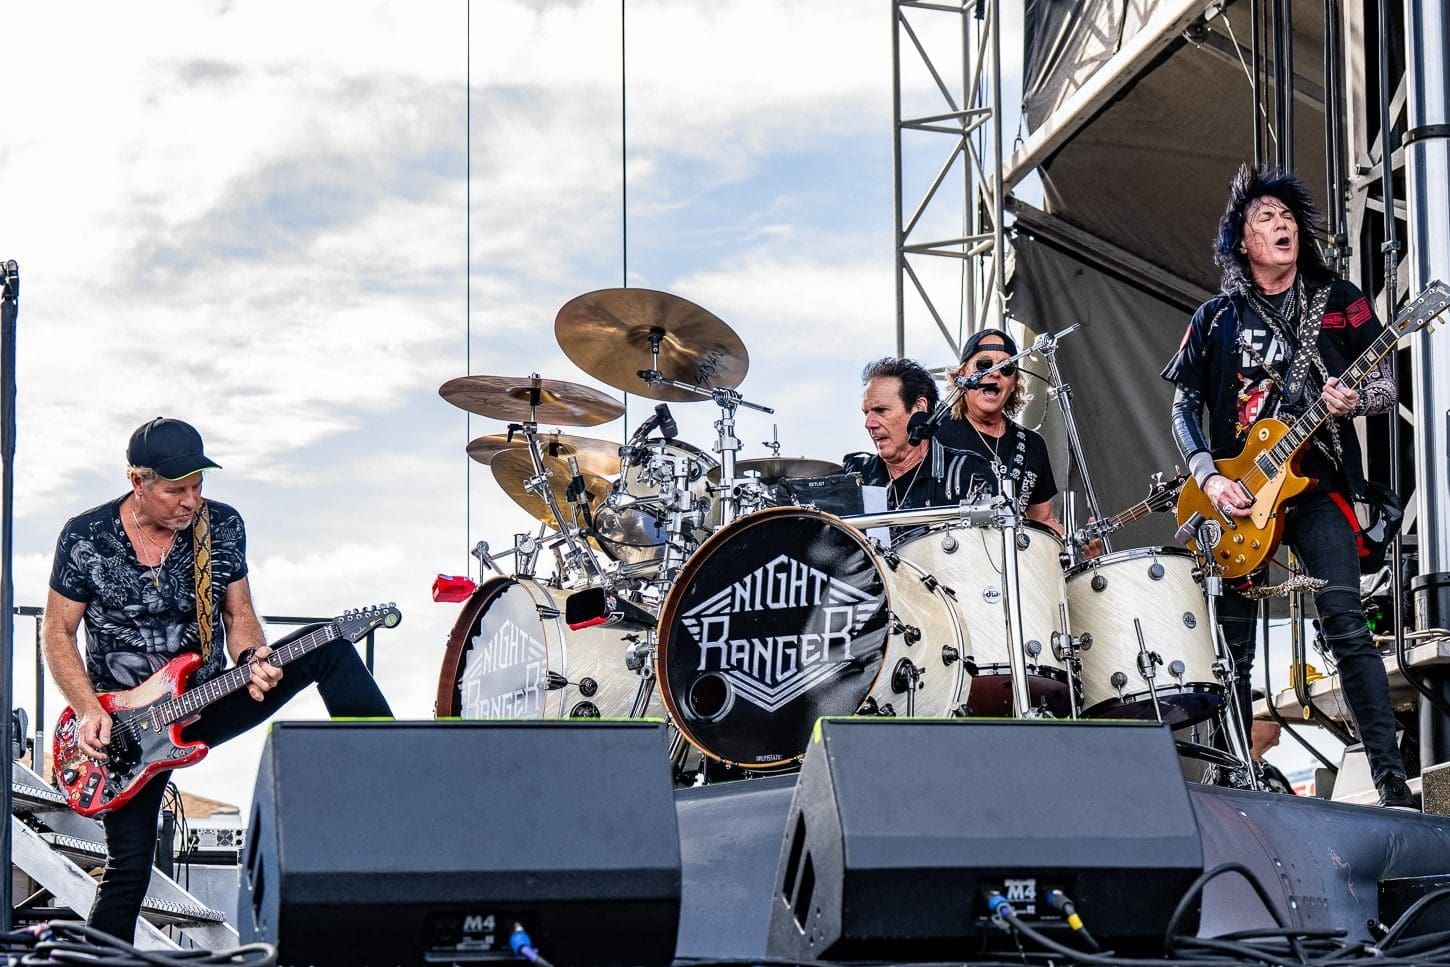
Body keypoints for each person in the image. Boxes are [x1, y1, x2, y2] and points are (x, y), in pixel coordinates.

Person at [42, 418, 394, 941]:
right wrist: (88, 707)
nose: (191, 501)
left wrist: (253, 657)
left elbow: (239, 613)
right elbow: (56, 632)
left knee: (329, 647)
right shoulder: (85, 536)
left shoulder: (222, 525)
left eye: (198, 486)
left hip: (206, 700)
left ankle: (393, 776)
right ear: (138, 481)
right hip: (127, 735)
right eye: (176, 490)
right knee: (128, 872)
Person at [1161, 164, 1412, 808]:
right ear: (1242, 242)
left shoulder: (1340, 299)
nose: (1282, 225)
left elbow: (1386, 385)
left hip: (1318, 483)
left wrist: (1355, 400)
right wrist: (1209, 478)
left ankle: (1390, 779)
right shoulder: (1215, 317)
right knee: (1233, 647)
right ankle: (1234, 777)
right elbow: (1183, 406)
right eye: (1264, 218)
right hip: (1238, 497)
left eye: (1287, 216)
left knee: (1347, 625)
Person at [935, 328, 1063, 535]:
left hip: (1014, 553)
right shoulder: (934, 435)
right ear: (962, 375)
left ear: (1013, 384)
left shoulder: (1033, 444)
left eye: (1006, 368)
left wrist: (1077, 547)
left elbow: (1043, 520)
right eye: (984, 364)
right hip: (949, 550)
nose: (995, 373)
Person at [842, 357, 989, 510]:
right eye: (866, 413)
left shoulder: (969, 471)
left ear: (919, 407)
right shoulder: (855, 475)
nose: (869, 424)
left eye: (881, 410)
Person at [1250, 692, 1297, 795]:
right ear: (1251, 723)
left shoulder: (1275, 772)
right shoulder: (1234, 770)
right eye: (1272, 717)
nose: (1280, 724)